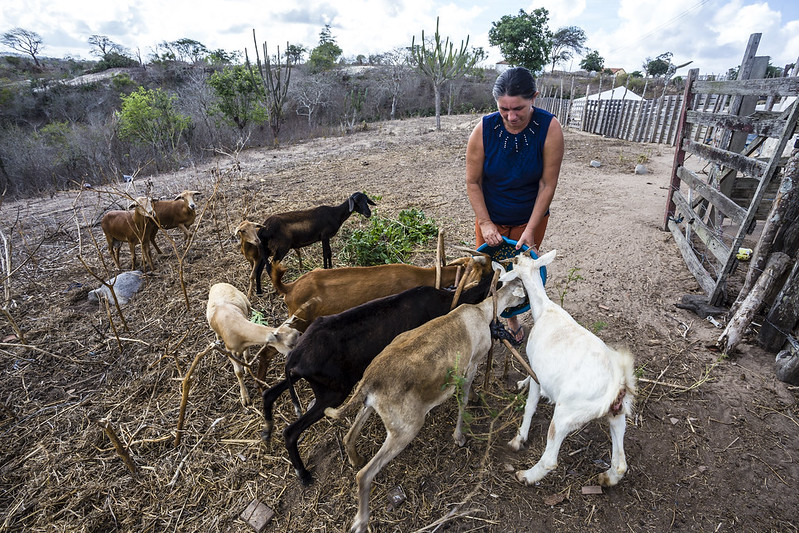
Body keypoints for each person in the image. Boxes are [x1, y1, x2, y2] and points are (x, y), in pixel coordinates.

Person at [466, 67, 564, 342]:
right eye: (503, 109)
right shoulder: (484, 129)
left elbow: (547, 184)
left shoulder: (549, 128)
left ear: (534, 97)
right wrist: (485, 223)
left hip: (530, 218)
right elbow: (473, 182)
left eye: (518, 108)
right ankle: (498, 320)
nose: (511, 116)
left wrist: (531, 229)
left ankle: (521, 320)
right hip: (491, 217)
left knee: (521, 272)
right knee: (489, 271)